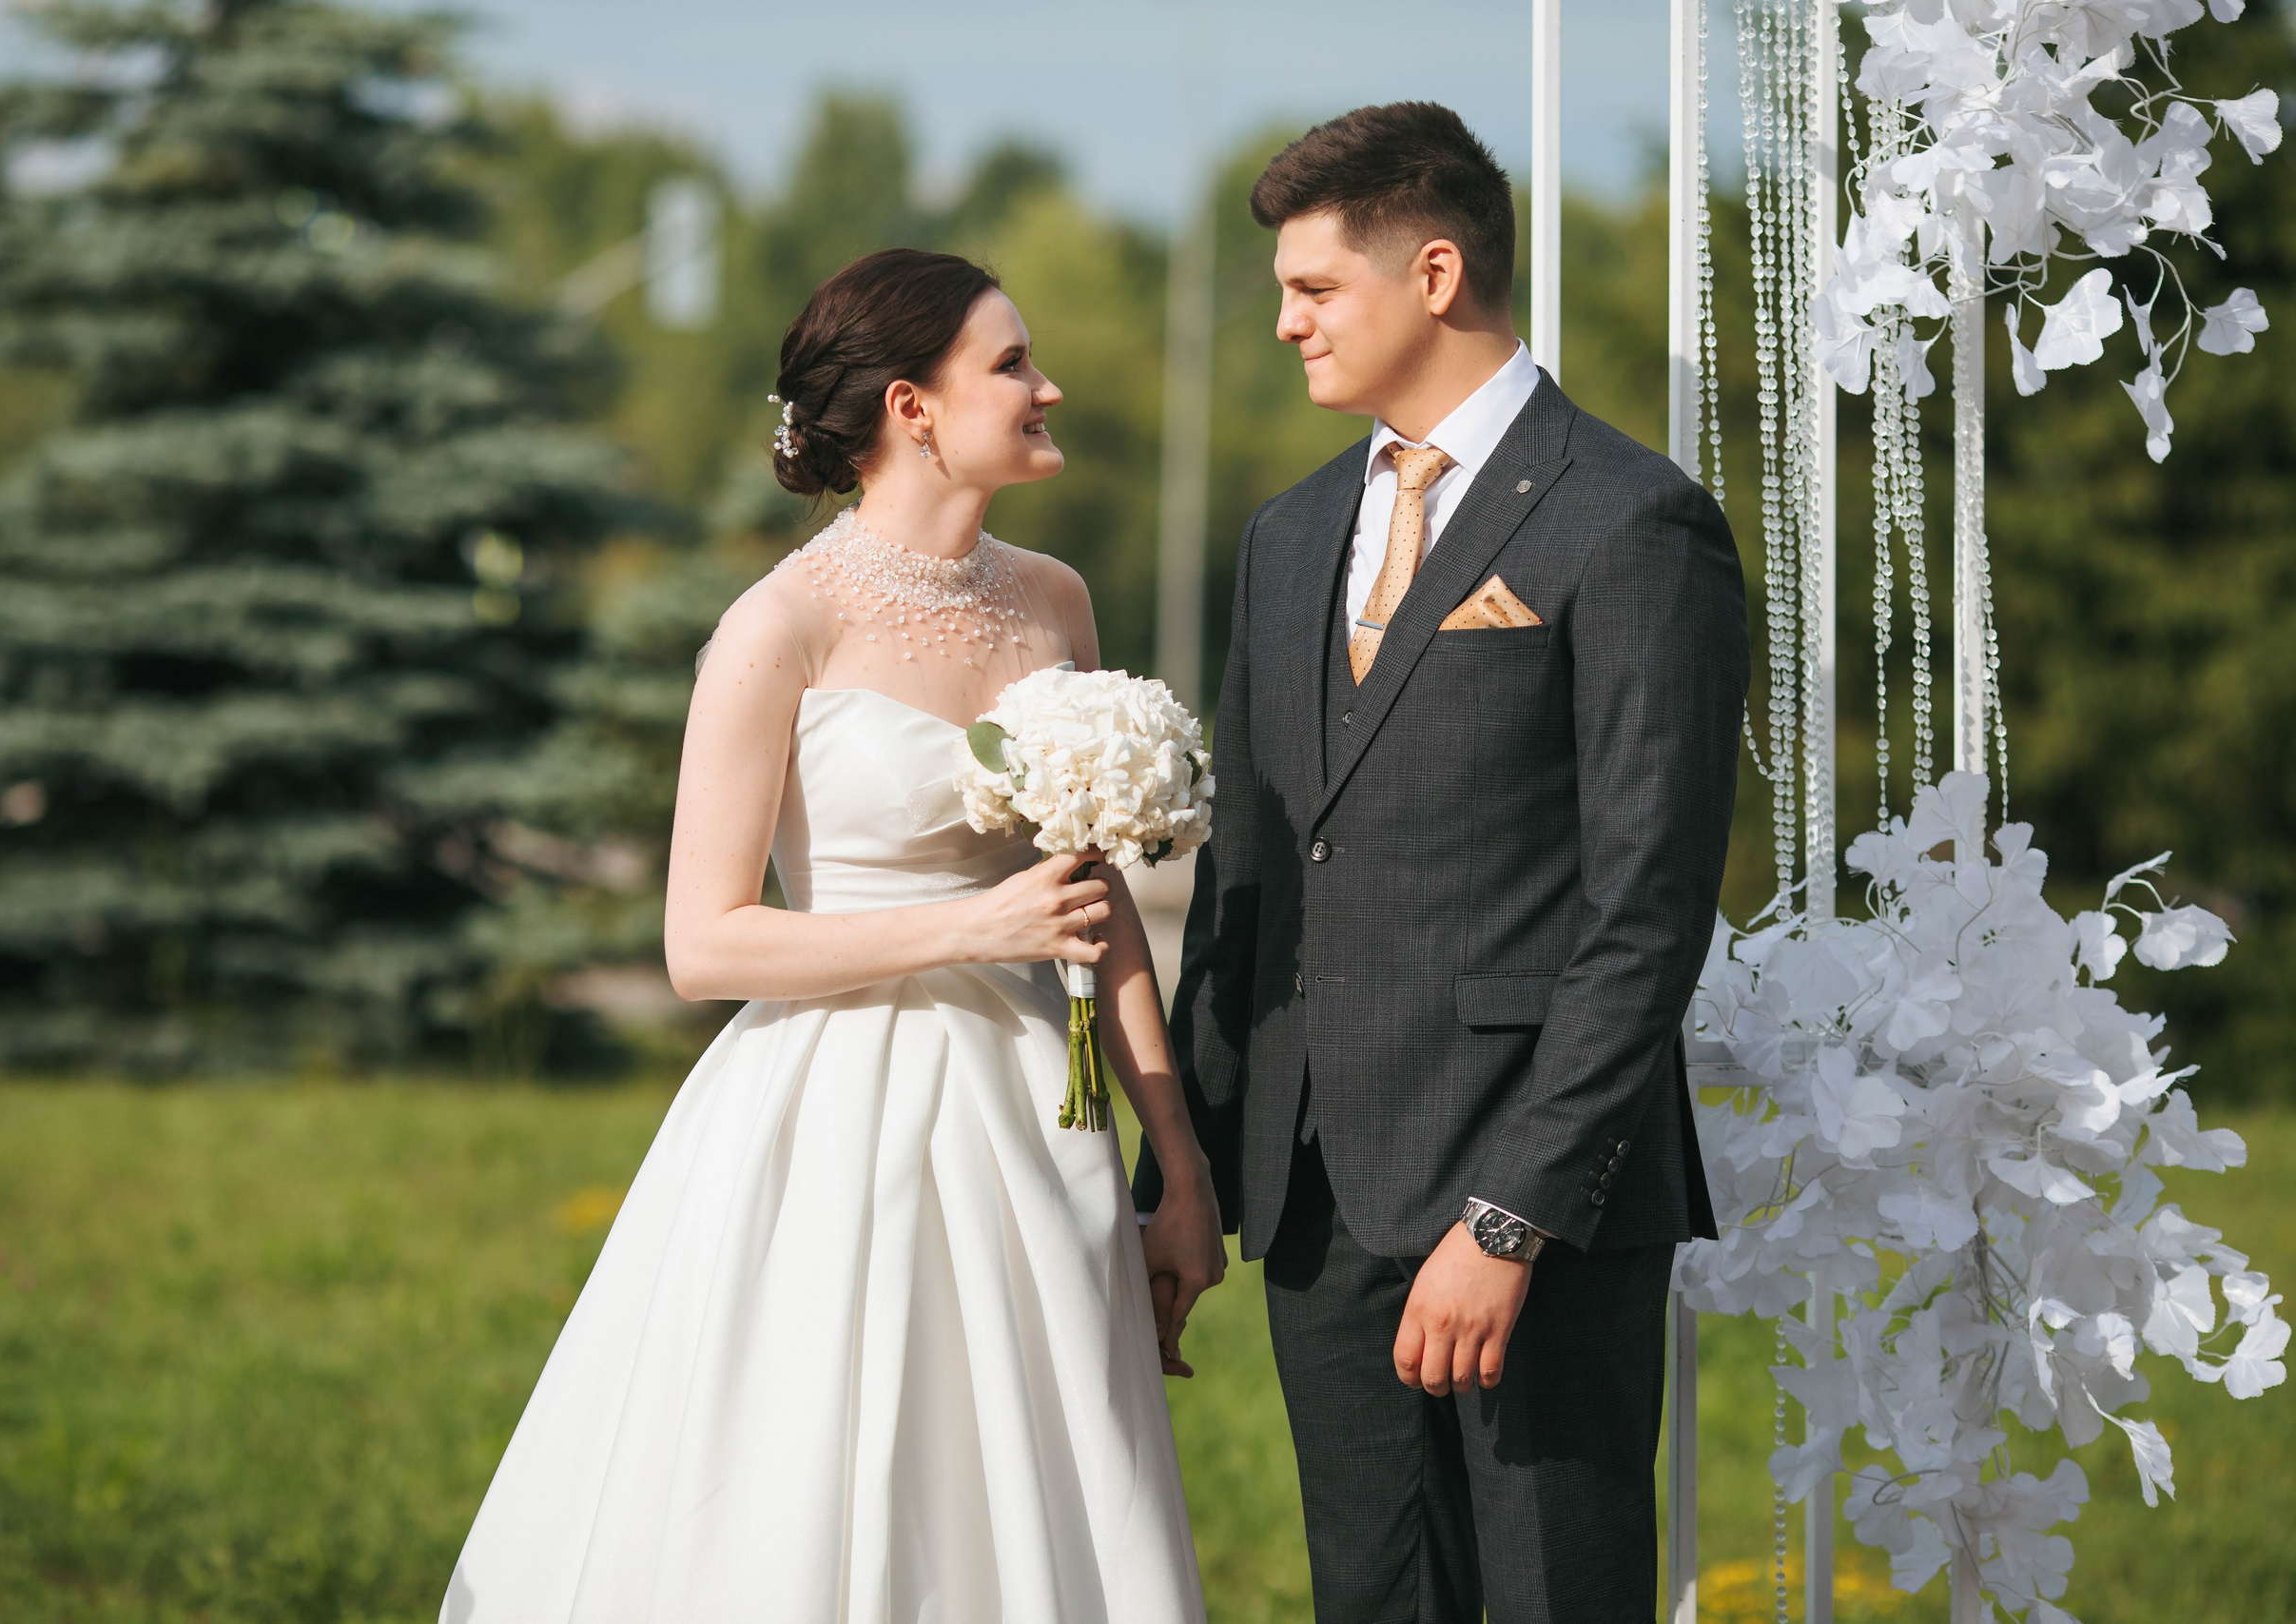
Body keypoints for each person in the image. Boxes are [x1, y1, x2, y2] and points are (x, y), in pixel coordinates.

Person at [444, 247, 1225, 1624]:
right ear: (914, 406)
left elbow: (1096, 917)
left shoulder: (1055, 602)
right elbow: (707, 942)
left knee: (1042, 1482)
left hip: (1040, 1121)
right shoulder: (777, 628)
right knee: (827, 1477)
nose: (1049, 386)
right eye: (1012, 363)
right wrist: (978, 921)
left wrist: (1180, 1171)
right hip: (836, 1115)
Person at [1133, 103, 1747, 1623]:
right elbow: (1248, 881)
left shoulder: (1634, 522)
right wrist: (1185, 1174)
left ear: (1434, 269)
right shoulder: (1286, 540)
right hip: (1316, 1200)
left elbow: (1648, 910)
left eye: (1311, 288)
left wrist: (1510, 1217)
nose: (1282, 325)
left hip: (1523, 1204)